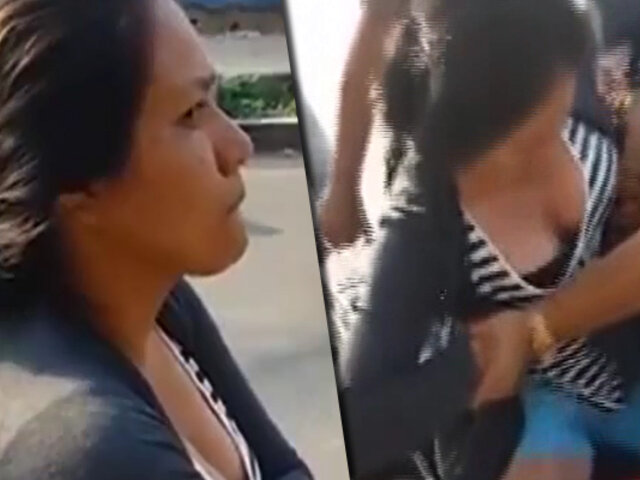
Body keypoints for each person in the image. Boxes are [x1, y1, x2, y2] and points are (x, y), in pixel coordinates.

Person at [0, 1, 311, 479]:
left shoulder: (157, 305)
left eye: (215, 102)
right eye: (190, 114)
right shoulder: (97, 450)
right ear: (80, 186)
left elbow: (284, 470)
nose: (238, 147)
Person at [335, 0, 640, 478]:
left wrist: (632, 120)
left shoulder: (559, 54)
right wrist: (470, 365)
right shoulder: (422, 228)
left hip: (619, 351)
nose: (553, 160)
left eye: (561, 126)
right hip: (526, 414)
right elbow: (359, 423)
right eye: (529, 149)